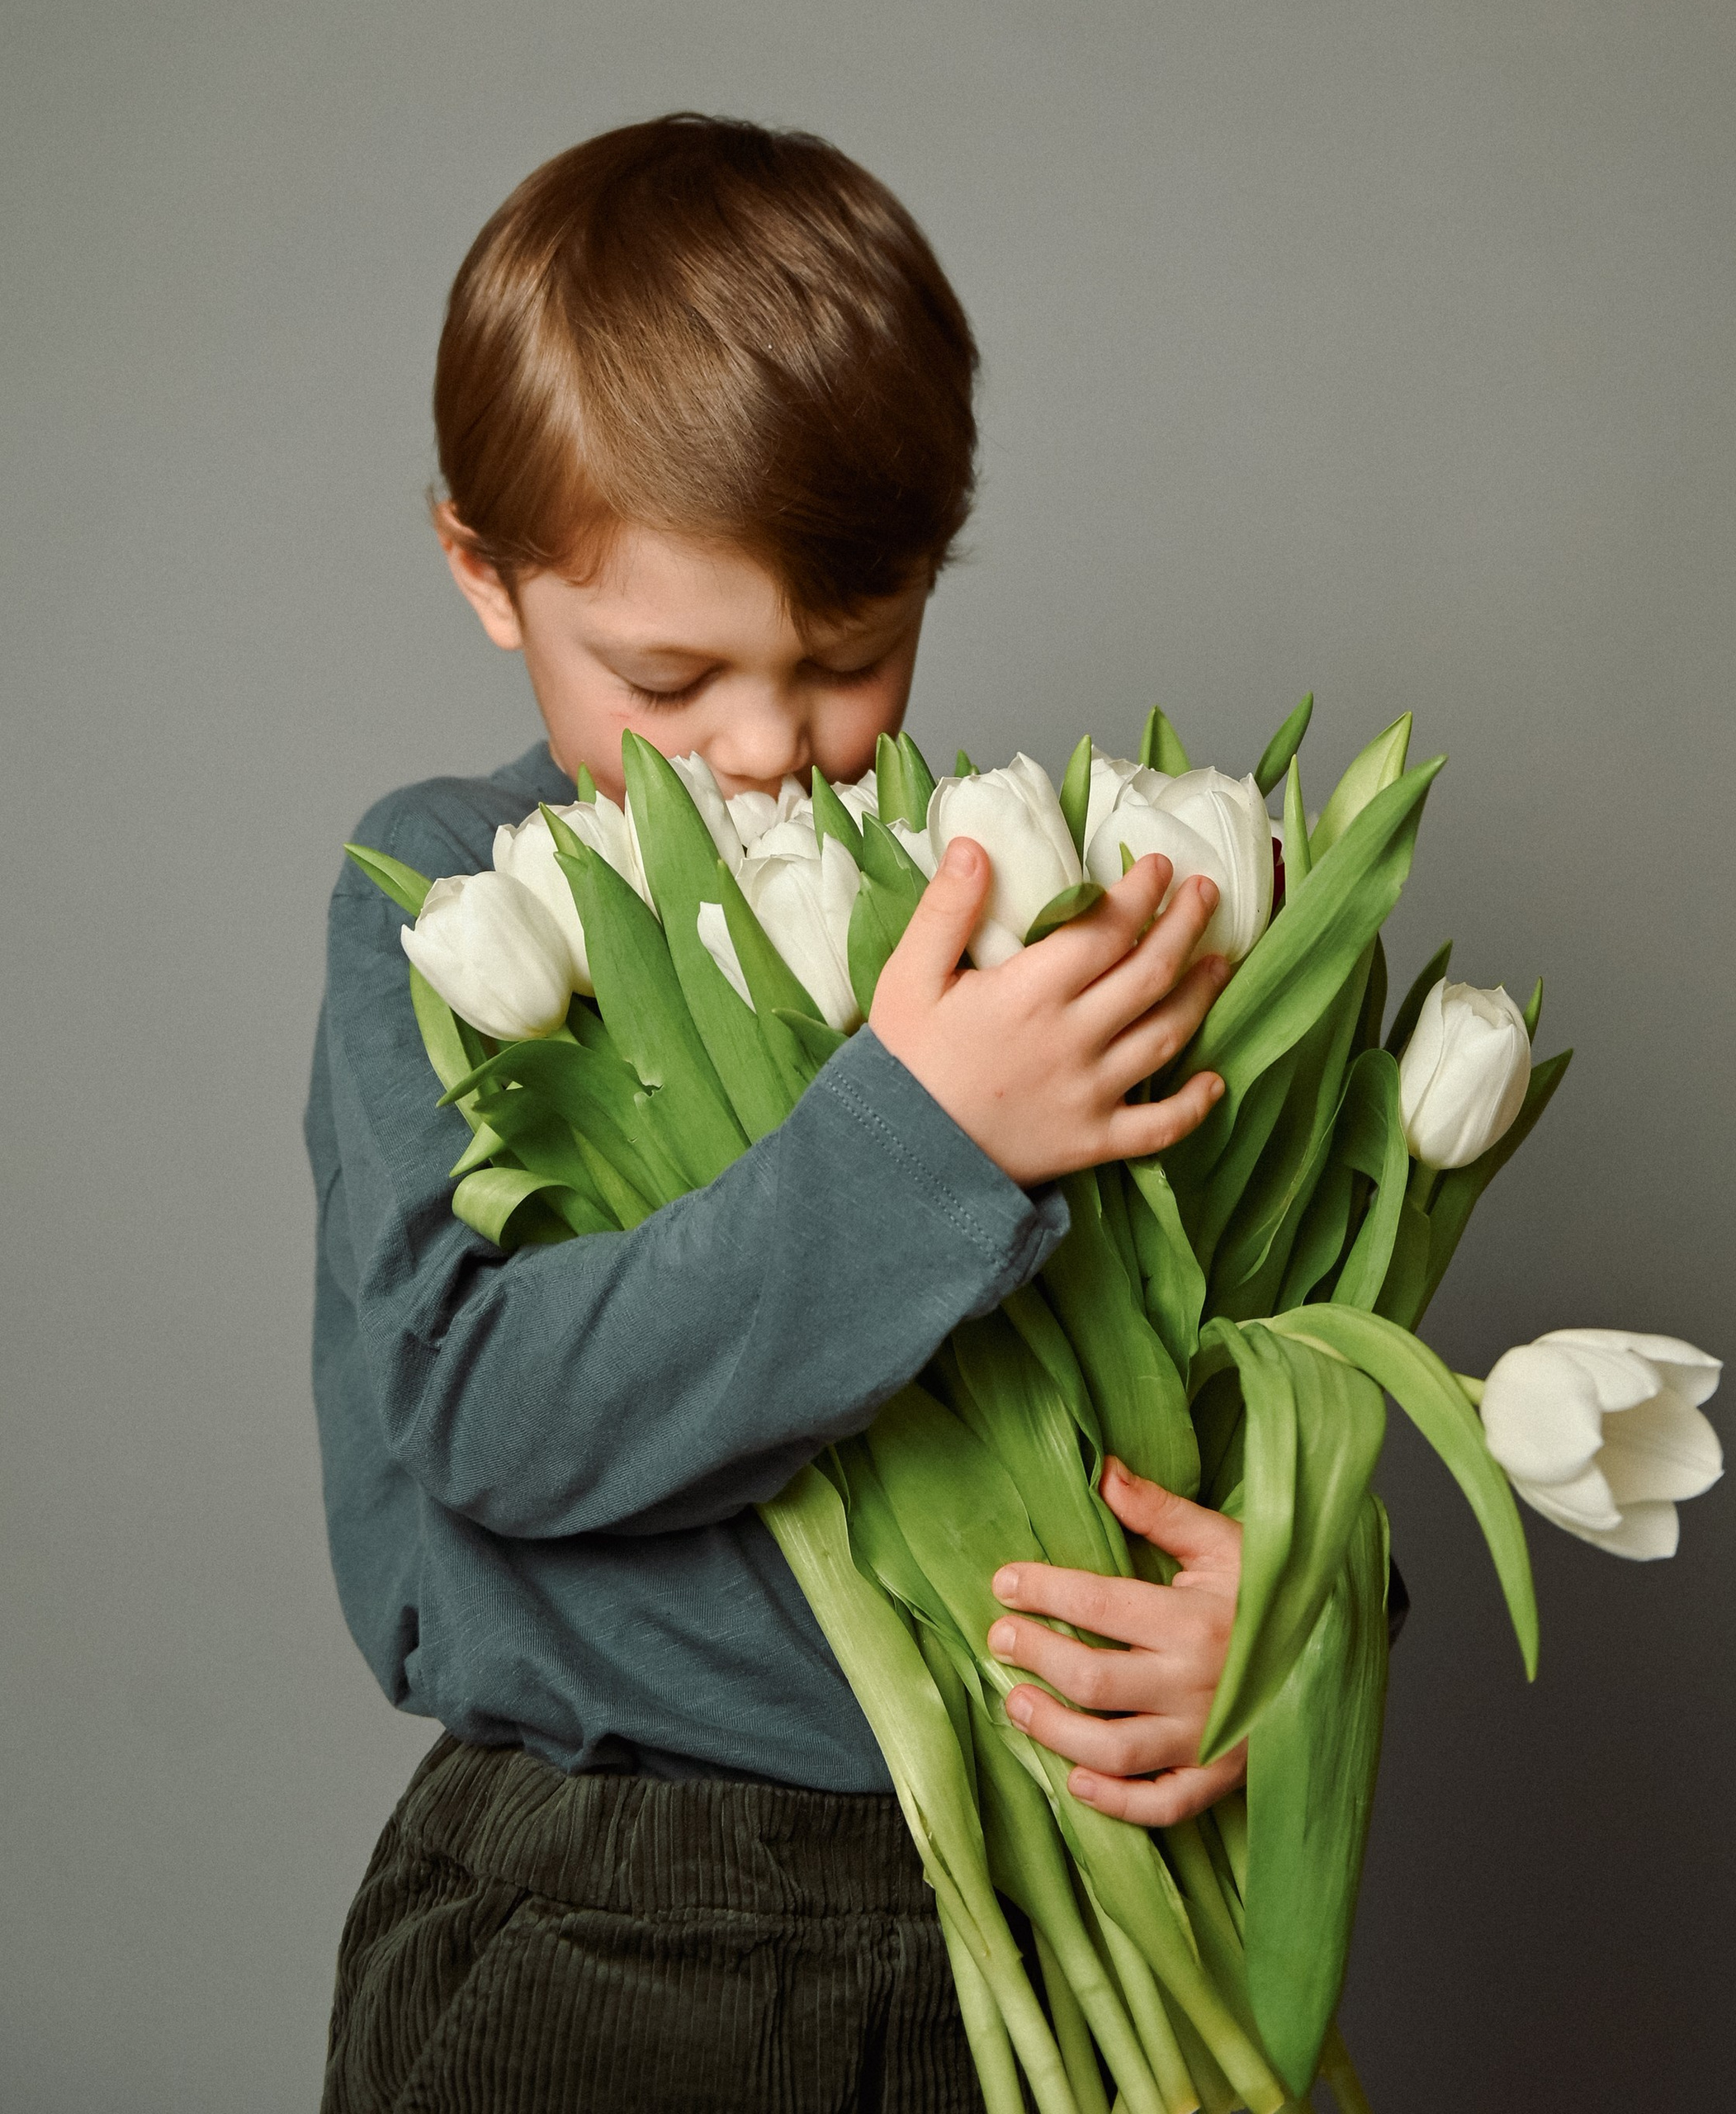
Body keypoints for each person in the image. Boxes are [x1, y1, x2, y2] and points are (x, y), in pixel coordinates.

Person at [307, 113, 1248, 2112]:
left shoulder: (1001, 899)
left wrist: (1274, 1610)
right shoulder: (452, 898)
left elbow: (1206, 1357)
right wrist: (926, 1141)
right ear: (484, 572)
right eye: (666, 677)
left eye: (849, 656)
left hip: (1030, 1898)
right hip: (608, 1902)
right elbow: (476, 1408)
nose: (761, 746)